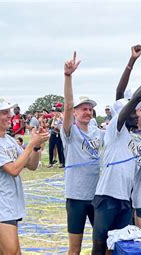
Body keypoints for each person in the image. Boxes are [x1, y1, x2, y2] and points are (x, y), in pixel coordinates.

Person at [91, 55, 141, 254]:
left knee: (120, 244)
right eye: (134, 112)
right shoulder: (115, 130)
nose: (138, 114)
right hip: (107, 196)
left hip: (126, 200)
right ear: (124, 114)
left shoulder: (134, 139)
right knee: (100, 244)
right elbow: (133, 98)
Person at [0, 96, 49, 254]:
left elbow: (31, 165)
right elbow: (13, 170)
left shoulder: (8, 140)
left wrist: (37, 147)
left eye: (9, 111)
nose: (9, 115)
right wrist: (31, 144)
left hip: (11, 202)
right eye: (4, 112)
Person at [61, 52, 104, 254]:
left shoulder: (97, 131)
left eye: (90, 109)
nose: (88, 112)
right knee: (75, 248)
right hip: (77, 196)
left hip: (97, 195)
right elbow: (68, 104)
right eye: (83, 109)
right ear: (75, 112)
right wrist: (68, 76)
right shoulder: (70, 132)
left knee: (101, 243)